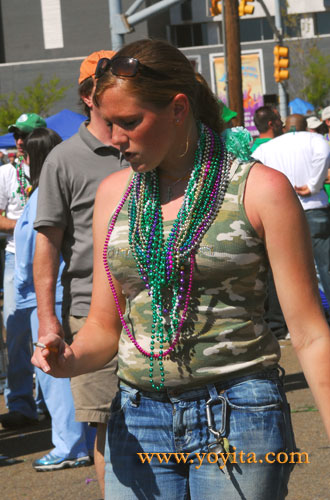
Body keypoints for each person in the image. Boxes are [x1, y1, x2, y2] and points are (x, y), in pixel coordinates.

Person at [32, 39, 330, 500]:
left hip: (238, 415)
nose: (113, 139)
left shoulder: (260, 190)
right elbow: (103, 329)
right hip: (137, 416)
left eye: (129, 122)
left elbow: (310, 335)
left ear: (177, 109)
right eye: (109, 123)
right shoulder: (114, 194)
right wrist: (67, 358)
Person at [32, 50, 128, 495]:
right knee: (110, 428)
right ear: (88, 95)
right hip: (91, 313)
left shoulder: (150, 143)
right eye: (105, 84)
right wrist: (49, 319)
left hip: (155, 309)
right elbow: (47, 247)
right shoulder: (63, 159)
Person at [14, 127, 93, 471]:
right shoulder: (58, 191)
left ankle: (69, 445)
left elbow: (30, 254)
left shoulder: (39, 198)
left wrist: (19, 292)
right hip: (66, 293)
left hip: (43, 298)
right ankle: (81, 442)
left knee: (54, 376)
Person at [0, 112, 47, 429]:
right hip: (17, 258)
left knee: (46, 331)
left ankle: (50, 405)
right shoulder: (5, 172)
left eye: (26, 135)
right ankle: (20, 402)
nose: (19, 140)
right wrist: (27, 227)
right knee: (16, 334)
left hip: (51, 256)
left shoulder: (53, 167)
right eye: (17, 135)